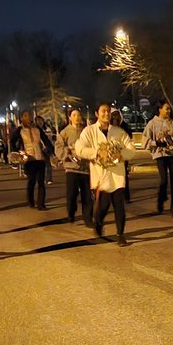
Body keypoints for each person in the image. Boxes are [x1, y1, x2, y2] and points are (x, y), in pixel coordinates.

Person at [75, 103, 136, 245]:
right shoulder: (89, 131)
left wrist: (120, 155)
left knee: (119, 205)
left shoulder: (118, 132)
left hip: (117, 175)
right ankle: (98, 222)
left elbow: (131, 150)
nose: (106, 114)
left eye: (108, 111)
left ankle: (120, 234)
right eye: (103, 111)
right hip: (101, 176)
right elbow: (80, 148)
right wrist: (96, 152)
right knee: (103, 206)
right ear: (97, 113)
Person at [142, 100, 173, 216]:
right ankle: (161, 199)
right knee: (164, 180)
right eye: (167, 108)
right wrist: (156, 143)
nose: (169, 111)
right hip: (160, 155)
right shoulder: (152, 123)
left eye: (169, 109)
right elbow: (144, 141)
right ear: (160, 109)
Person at [53, 108, 91, 225]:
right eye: (74, 115)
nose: (77, 117)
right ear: (70, 118)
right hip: (71, 167)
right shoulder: (64, 132)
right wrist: (67, 153)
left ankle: (88, 218)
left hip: (85, 167)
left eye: (78, 115)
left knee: (87, 194)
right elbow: (58, 147)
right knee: (72, 193)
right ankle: (71, 213)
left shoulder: (86, 131)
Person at [11, 109, 51, 210]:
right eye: (25, 116)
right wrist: (18, 153)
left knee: (41, 182)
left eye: (29, 116)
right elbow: (12, 142)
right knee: (31, 180)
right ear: (22, 118)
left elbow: (46, 140)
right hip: (29, 159)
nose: (28, 118)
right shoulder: (20, 130)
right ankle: (31, 202)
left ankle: (41, 204)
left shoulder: (37, 129)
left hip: (40, 158)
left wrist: (50, 150)